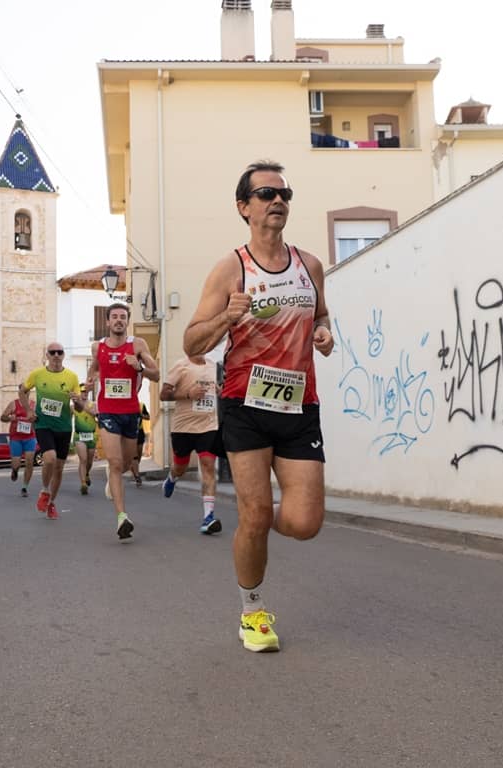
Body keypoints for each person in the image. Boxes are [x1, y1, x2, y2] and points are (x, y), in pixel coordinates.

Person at [183, 160, 334, 653]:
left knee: (305, 523)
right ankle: (252, 612)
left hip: (299, 405)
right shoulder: (231, 268)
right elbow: (192, 343)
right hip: (244, 405)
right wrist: (226, 318)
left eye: (284, 193)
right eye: (267, 194)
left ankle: (256, 523)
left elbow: (322, 315)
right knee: (254, 513)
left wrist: (324, 333)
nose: (278, 201)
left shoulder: (310, 265)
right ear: (243, 207)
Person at [85, 303, 160, 539]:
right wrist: (88, 385)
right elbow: (93, 370)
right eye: (114, 316)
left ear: (127, 321)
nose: (119, 320)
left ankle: (113, 477)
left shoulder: (138, 345)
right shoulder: (98, 347)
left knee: (126, 463)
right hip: (107, 411)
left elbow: (156, 374)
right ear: (107, 322)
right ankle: (121, 518)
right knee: (116, 463)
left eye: (123, 317)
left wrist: (139, 367)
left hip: (130, 412)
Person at [19, 342, 84, 520]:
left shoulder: (72, 377)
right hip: (43, 425)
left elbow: (79, 408)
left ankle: (51, 503)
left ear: (63, 355)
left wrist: (77, 401)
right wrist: (28, 411)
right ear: (47, 355)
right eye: (52, 352)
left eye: (59, 352)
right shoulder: (37, 374)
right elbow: (22, 391)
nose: (56, 355)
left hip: (64, 427)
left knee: (59, 468)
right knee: (49, 458)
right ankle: (45, 490)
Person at [159, 354, 222, 534]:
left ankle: (208, 517)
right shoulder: (181, 365)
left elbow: (214, 389)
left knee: (208, 466)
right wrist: (188, 394)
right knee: (180, 467)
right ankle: (172, 478)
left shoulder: (212, 366)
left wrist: (218, 390)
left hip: (208, 426)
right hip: (183, 428)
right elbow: (163, 395)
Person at [1, 394, 38, 498]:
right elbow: (2, 417)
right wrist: (9, 418)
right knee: (16, 464)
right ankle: (15, 470)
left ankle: (25, 487)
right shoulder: (13, 404)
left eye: (27, 391)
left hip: (30, 437)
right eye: (23, 391)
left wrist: (35, 419)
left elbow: (38, 420)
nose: (25, 394)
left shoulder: (34, 405)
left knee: (29, 462)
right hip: (16, 438)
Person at [71, 388, 98, 495]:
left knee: (90, 461)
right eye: (82, 392)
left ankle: (86, 474)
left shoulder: (93, 404)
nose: (84, 393)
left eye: (86, 392)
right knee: (83, 459)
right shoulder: (73, 407)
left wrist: (82, 405)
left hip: (91, 435)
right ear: (78, 393)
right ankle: (83, 484)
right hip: (79, 435)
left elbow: (94, 413)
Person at [130, 403, 150, 487]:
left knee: (139, 453)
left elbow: (148, 417)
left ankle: (134, 469)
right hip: (130, 432)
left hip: (140, 431)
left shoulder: (141, 405)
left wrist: (141, 415)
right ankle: (137, 476)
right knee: (134, 455)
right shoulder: (126, 405)